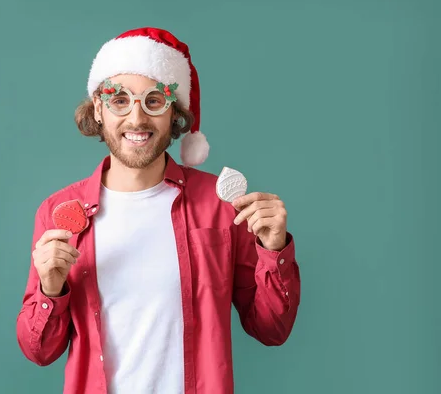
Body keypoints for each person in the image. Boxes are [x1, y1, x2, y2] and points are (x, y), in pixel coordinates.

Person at [16, 27, 301, 394]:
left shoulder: (220, 207)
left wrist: (273, 251)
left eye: (154, 101)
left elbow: (271, 329)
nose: (137, 120)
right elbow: (39, 351)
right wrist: (50, 289)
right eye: (119, 100)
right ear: (98, 110)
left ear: (174, 115)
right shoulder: (58, 212)